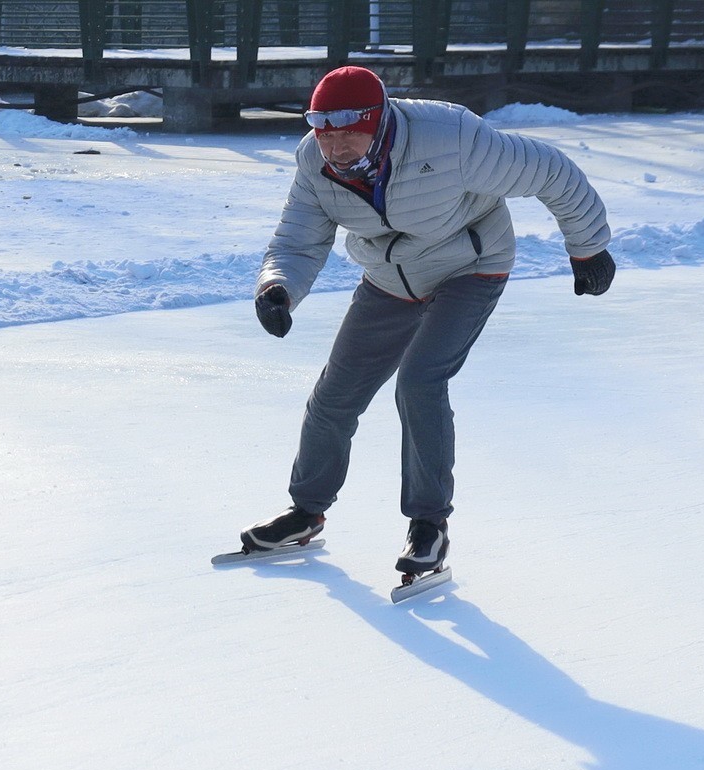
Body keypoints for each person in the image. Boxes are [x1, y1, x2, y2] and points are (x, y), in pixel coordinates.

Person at [240, 65, 614, 579]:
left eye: (349, 133)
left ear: (378, 123)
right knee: (335, 393)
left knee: (419, 381)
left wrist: (588, 249)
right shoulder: (314, 162)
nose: (335, 147)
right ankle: (306, 511)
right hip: (391, 278)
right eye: (325, 133)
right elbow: (298, 240)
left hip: (471, 265)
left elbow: (551, 171)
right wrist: (277, 287)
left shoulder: (451, 138)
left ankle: (428, 525)